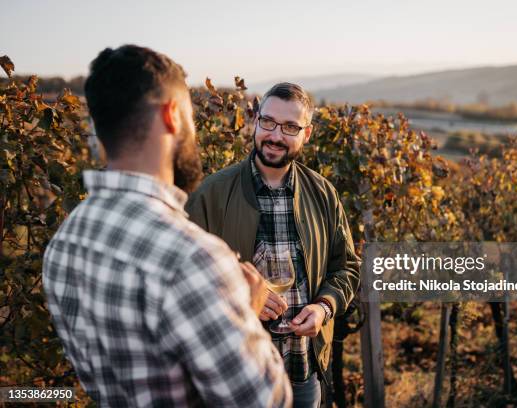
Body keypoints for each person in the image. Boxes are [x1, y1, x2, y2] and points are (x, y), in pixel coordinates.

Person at [42, 45, 291, 407]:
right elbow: (267, 401)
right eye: (190, 116)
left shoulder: (66, 241)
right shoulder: (195, 260)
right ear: (173, 115)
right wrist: (247, 314)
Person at [185, 82, 360, 407]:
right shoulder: (211, 193)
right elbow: (182, 278)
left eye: (290, 127)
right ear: (255, 121)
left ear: (306, 134)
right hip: (235, 373)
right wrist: (240, 296)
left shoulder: (323, 194)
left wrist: (324, 308)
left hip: (303, 369)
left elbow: (346, 267)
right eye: (268, 121)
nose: (275, 135)